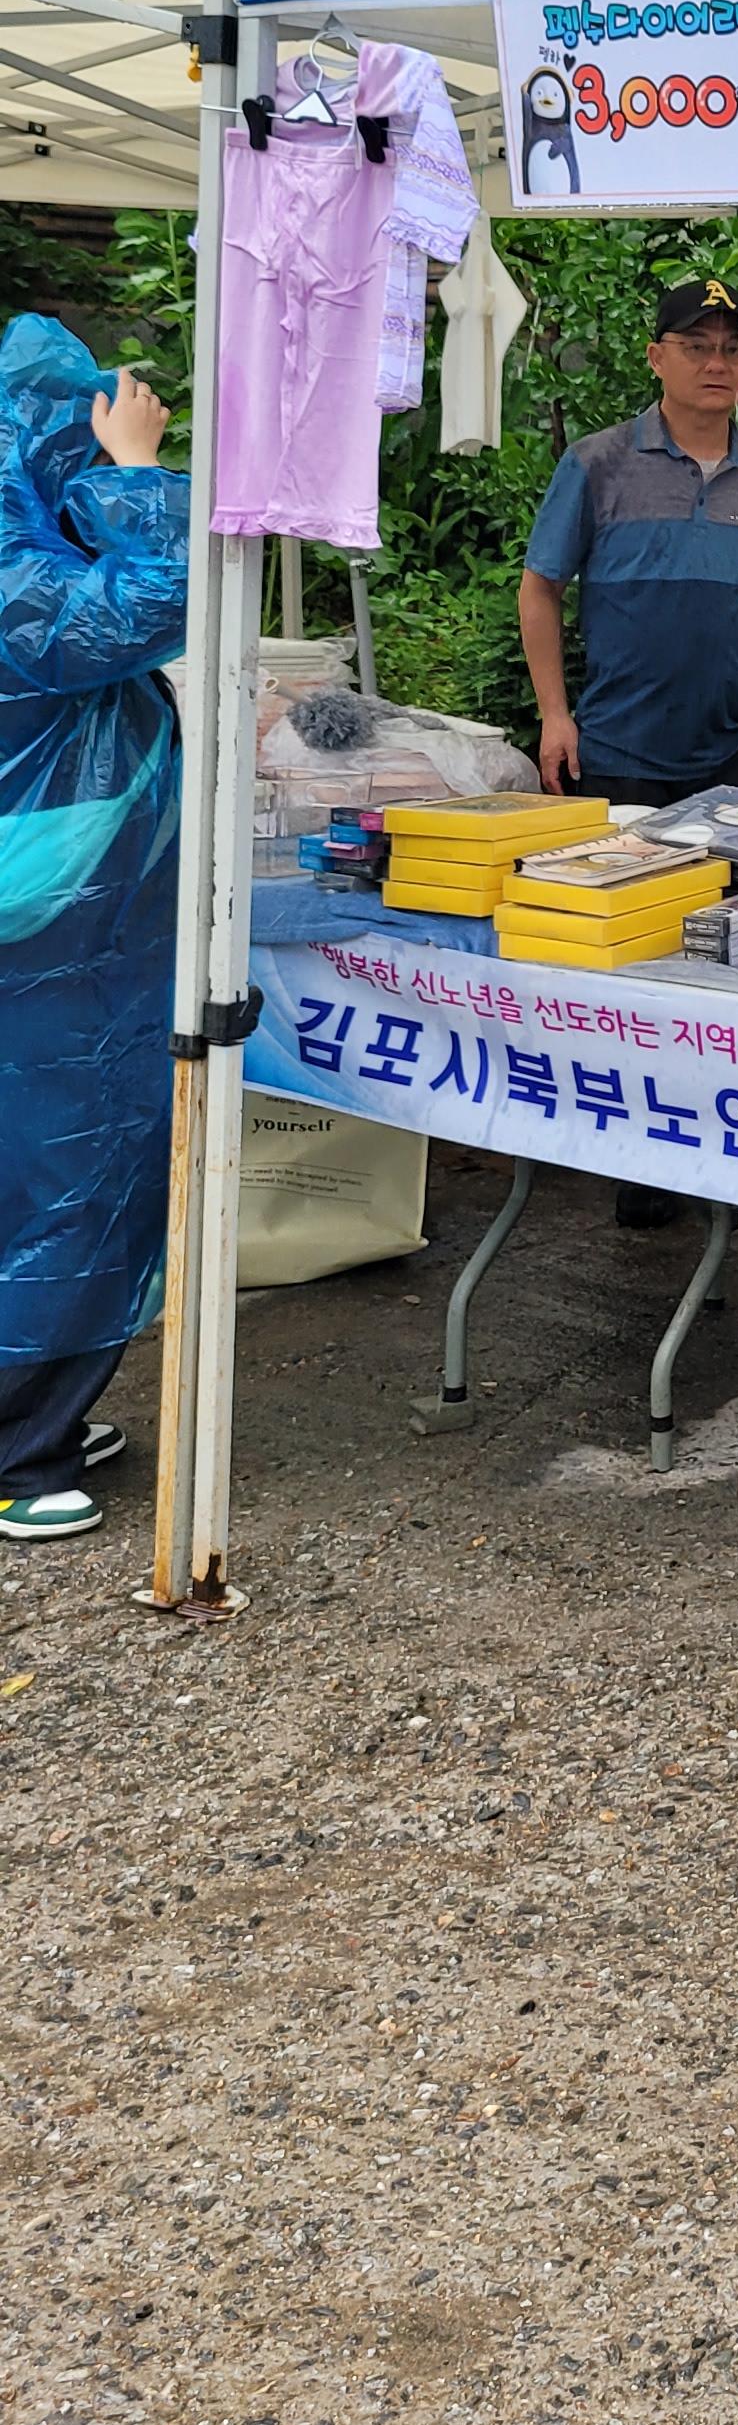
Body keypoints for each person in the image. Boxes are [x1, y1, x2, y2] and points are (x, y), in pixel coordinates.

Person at [0, 323, 189, 1541]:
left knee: (55, 1170)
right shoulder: (17, 570)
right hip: (56, 939)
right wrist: (135, 470)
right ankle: (21, 1449)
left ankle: (43, 1409)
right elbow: (159, 597)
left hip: (66, 927)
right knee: (72, 1174)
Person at [518, 275, 738, 809]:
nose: (716, 364)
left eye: (734, 349)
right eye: (696, 347)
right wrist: (554, 715)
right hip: (616, 754)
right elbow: (540, 589)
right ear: (657, 358)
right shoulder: (596, 465)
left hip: (735, 759)